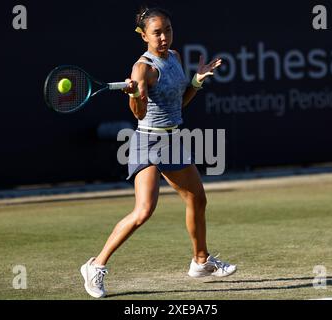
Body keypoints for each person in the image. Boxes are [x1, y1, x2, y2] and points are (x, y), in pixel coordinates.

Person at [80, 6, 236, 298]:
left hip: (173, 139)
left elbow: (180, 103)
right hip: (147, 143)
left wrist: (198, 80)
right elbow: (139, 114)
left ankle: (200, 262)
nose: (164, 37)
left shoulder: (175, 58)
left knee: (198, 199)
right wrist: (136, 95)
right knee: (144, 210)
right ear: (144, 36)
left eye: (168, 30)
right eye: (157, 32)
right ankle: (95, 266)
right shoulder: (142, 68)